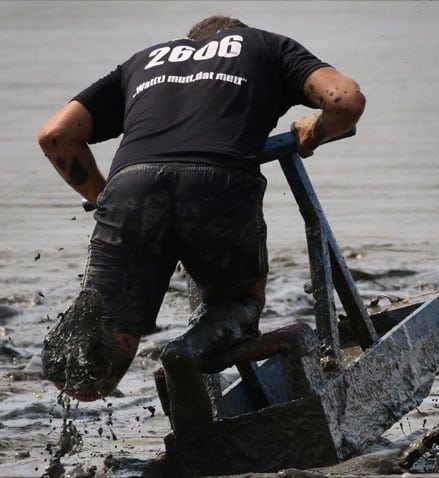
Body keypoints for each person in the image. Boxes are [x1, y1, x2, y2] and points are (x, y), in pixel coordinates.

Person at [37, 15, 365, 431]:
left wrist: (106, 200)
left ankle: (81, 365)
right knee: (238, 303)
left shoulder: (145, 61)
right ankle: (187, 352)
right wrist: (314, 130)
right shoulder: (265, 46)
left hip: (130, 189)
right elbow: (345, 102)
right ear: (236, 33)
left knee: (103, 356)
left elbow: (54, 136)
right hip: (218, 185)